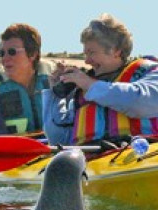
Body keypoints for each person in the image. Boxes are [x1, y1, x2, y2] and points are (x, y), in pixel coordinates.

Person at [43, 13, 158, 148]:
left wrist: (90, 85)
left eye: (91, 52)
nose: (86, 61)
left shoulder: (148, 71)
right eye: (85, 54)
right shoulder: (83, 88)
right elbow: (58, 138)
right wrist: (55, 96)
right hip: (93, 161)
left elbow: (141, 103)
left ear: (116, 51)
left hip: (140, 157)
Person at [0, 23, 55, 136]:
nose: (5, 58)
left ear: (33, 54)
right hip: (14, 152)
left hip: (56, 150)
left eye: (12, 52)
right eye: (1, 53)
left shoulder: (57, 84)